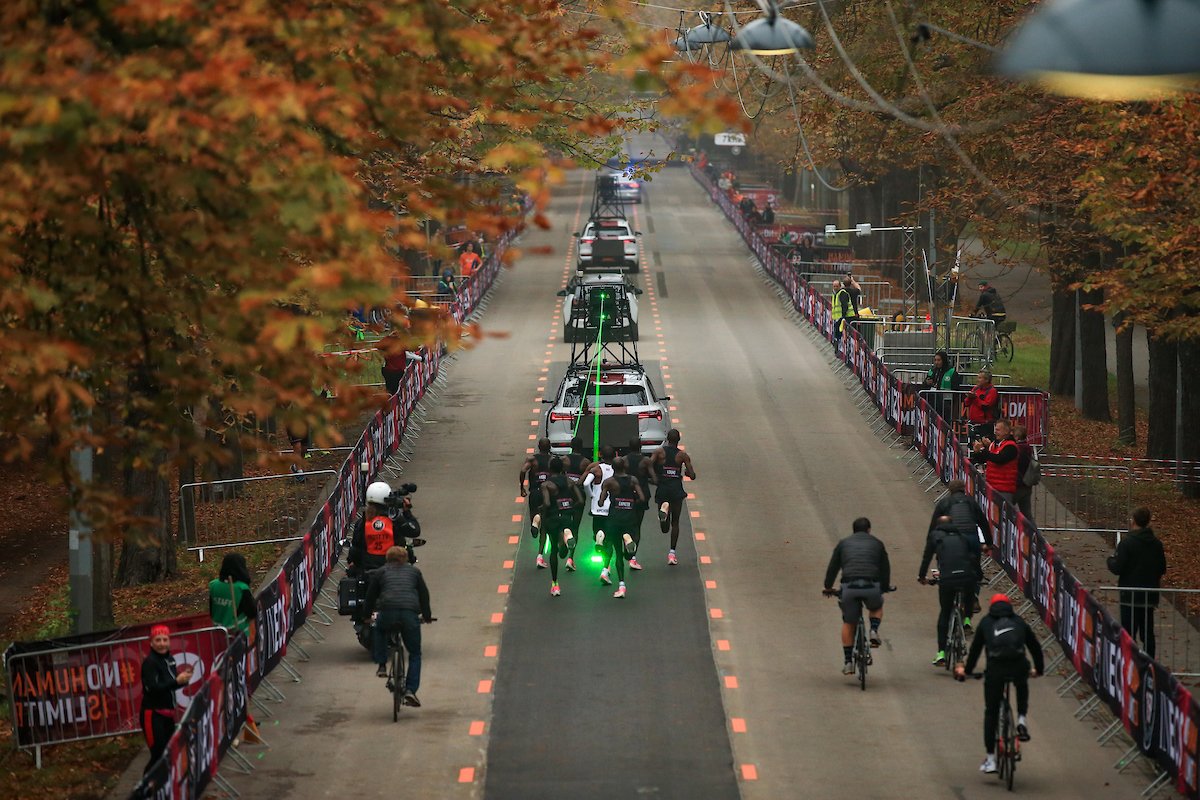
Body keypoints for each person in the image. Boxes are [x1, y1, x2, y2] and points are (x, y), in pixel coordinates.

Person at [955, 594, 1044, 774]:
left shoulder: (986, 623)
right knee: (1021, 684)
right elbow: (1034, 646)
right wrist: (1038, 669)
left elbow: (975, 650)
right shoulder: (1019, 621)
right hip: (1019, 664)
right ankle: (1021, 719)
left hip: (995, 669)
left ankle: (991, 759)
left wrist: (968, 671)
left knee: (991, 712)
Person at [364, 547, 432, 706]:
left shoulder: (381, 572)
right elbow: (424, 595)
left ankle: (381, 664)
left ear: (387, 558)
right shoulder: (414, 573)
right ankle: (410, 690)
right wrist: (427, 616)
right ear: (405, 558)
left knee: (379, 630)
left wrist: (366, 616)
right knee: (415, 653)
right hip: (409, 614)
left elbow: (371, 596)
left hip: (387, 612)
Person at [823, 517, 891, 675]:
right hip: (871, 585)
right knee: (876, 606)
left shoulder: (843, 543)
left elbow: (833, 567)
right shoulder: (877, 543)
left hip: (849, 586)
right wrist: (884, 587)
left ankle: (848, 662)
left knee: (848, 622)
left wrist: (828, 587)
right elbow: (885, 568)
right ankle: (873, 630)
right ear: (869, 530)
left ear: (853, 530)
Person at [919, 516, 981, 665]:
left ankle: (941, 653)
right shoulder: (963, 538)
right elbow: (973, 558)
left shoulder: (936, 538)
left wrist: (922, 576)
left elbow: (927, 557)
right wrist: (978, 576)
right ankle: (967, 619)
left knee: (945, 612)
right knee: (969, 597)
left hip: (947, 579)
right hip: (967, 577)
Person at [1107, 507, 1167, 658]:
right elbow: (1161, 568)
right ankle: (1150, 665)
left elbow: (1118, 568)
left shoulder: (1127, 544)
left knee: (1128, 633)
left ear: (1133, 520)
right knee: (1148, 634)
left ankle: (1129, 661)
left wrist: (1110, 561)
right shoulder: (1156, 544)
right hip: (1149, 596)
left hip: (1130, 596)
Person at [929, 479, 992, 612]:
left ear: (950, 490)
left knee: (944, 561)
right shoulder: (971, 502)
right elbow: (983, 523)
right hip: (971, 537)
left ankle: (945, 580)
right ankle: (973, 597)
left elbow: (933, 526)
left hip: (951, 539)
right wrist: (988, 544)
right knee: (974, 566)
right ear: (964, 489)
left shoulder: (944, 503)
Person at [140, 625, 193, 774]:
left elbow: (169, 685)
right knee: (157, 755)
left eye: (165, 639)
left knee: (168, 753)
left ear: (169, 641)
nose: (162, 643)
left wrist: (184, 680)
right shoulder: (150, 663)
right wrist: (177, 681)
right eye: (158, 640)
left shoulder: (170, 659)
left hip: (168, 715)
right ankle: (145, 790)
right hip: (153, 715)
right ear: (151, 643)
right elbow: (153, 688)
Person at [598, 457, 647, 598]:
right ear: (625, 467)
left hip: (614, 518)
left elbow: (601, 502)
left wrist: (606, 497)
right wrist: (632, 502)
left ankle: (621, 586)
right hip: (629, 517)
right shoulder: (633, 480)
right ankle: (627, 539)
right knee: (629, 549)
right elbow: (642, 498)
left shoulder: (609, 482)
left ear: (612, 468)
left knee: (617, 553)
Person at [540, 457, 585, 596]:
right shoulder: (569, 481)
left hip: (553, 517)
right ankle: (566, 539)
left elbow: (547, 503)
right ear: (562, 469)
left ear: (550, 469)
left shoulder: (546, 484)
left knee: (554, 551)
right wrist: (571, 507)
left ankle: (555, 584)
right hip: (567, 516)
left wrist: (543, 514)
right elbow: (581, 500)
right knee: (563, 552)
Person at [651, 429, 696, 566]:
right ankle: (672, 554)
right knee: (675, 523)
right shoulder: (682, 455)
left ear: (667, 438)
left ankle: (664, 512)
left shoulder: (659, 452)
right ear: (678, 440)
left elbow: (649, 465)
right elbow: (692, 475)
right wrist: (687, 473)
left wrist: (654, 477)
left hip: (663, 488)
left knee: (664, 528)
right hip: (676, 489)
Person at [347, 481, 401, 575]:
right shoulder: (393, 522)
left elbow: (356, 546)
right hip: (393, 568)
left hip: (366, 570)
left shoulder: (362, 523)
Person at [583, 445, 616, 582]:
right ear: (614, 455)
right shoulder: (616, 469)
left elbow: (585, 483)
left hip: (597, 506)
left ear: (600, 454)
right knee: (611, 541)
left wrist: (591, 495)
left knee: (597, 532)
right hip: (610, 507)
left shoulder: (596, 469)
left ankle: (599, 538)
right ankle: (605, 569)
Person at [520, 438, 554, 569]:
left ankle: (535, 521)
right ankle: (540, 556)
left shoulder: (532, 460)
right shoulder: (553, 460)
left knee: (535, 516)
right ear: (549, 446)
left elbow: (523, 471)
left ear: (539, 447)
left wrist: (522, 487)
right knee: (544, 528)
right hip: (548, 493)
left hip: (534, 492)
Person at [562, 437, 592, 572]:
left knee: (565, 520)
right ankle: (571, 558)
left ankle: (563, 541)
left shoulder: (564, 460)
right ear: (582, 447)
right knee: (576, 526)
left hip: (566, 493)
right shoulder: (586, 462)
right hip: (579, 494)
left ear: (571, 446)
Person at [971, 419, 1019, 504]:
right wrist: (977, 452)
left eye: (998, 430)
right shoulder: (993, 444)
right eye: (995, 429)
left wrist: (982, 449)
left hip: (1004, 489)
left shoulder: (1011, 447)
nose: (995, 432)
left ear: (1006, 431)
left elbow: (999, 459)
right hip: (991, 487)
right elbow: (984, 459)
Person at [209, 553, 256, 638]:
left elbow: (212, 610)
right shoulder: (241, 588)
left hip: (217, 633)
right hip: (238, 635)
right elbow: (252, 612)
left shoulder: (213, 585)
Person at [627, 437, 654, 566]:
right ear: (640, 447)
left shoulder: (624, 460)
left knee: (626, 524)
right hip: (641, 495)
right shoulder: (646, 461)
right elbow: (654, 478)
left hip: (626, 496)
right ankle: (633, 557)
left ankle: (626, 541)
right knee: (637, 526)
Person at [961, 370, 999, 442]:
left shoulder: (992, 391)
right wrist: (969, 397)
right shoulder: (976, 388)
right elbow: (966, 403)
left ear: (987, 380)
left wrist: (975, 398)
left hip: (985, 423)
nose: (978, 380)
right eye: (978, 378)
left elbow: (986, 406)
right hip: (973, 422)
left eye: (980, 378)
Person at [1012, 424, 1035, 520]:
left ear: (1016, 437)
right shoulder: (1028, 448)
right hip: (1026, 484)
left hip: (1017, 484)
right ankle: (1033, 533)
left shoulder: (1017, 449)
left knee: (1006, 508)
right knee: (1027, 514)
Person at [831, 277, 859, 355]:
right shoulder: (835, 294)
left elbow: (844, 305)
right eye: (834, 286)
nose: (835, 288)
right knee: (838, 333)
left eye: (837, 286)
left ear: (840, 286)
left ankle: (843, 351)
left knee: (845, 334)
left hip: (847, 317)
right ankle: (838, 349)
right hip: (839, 317)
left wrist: (843, 317)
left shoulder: (842, 293)